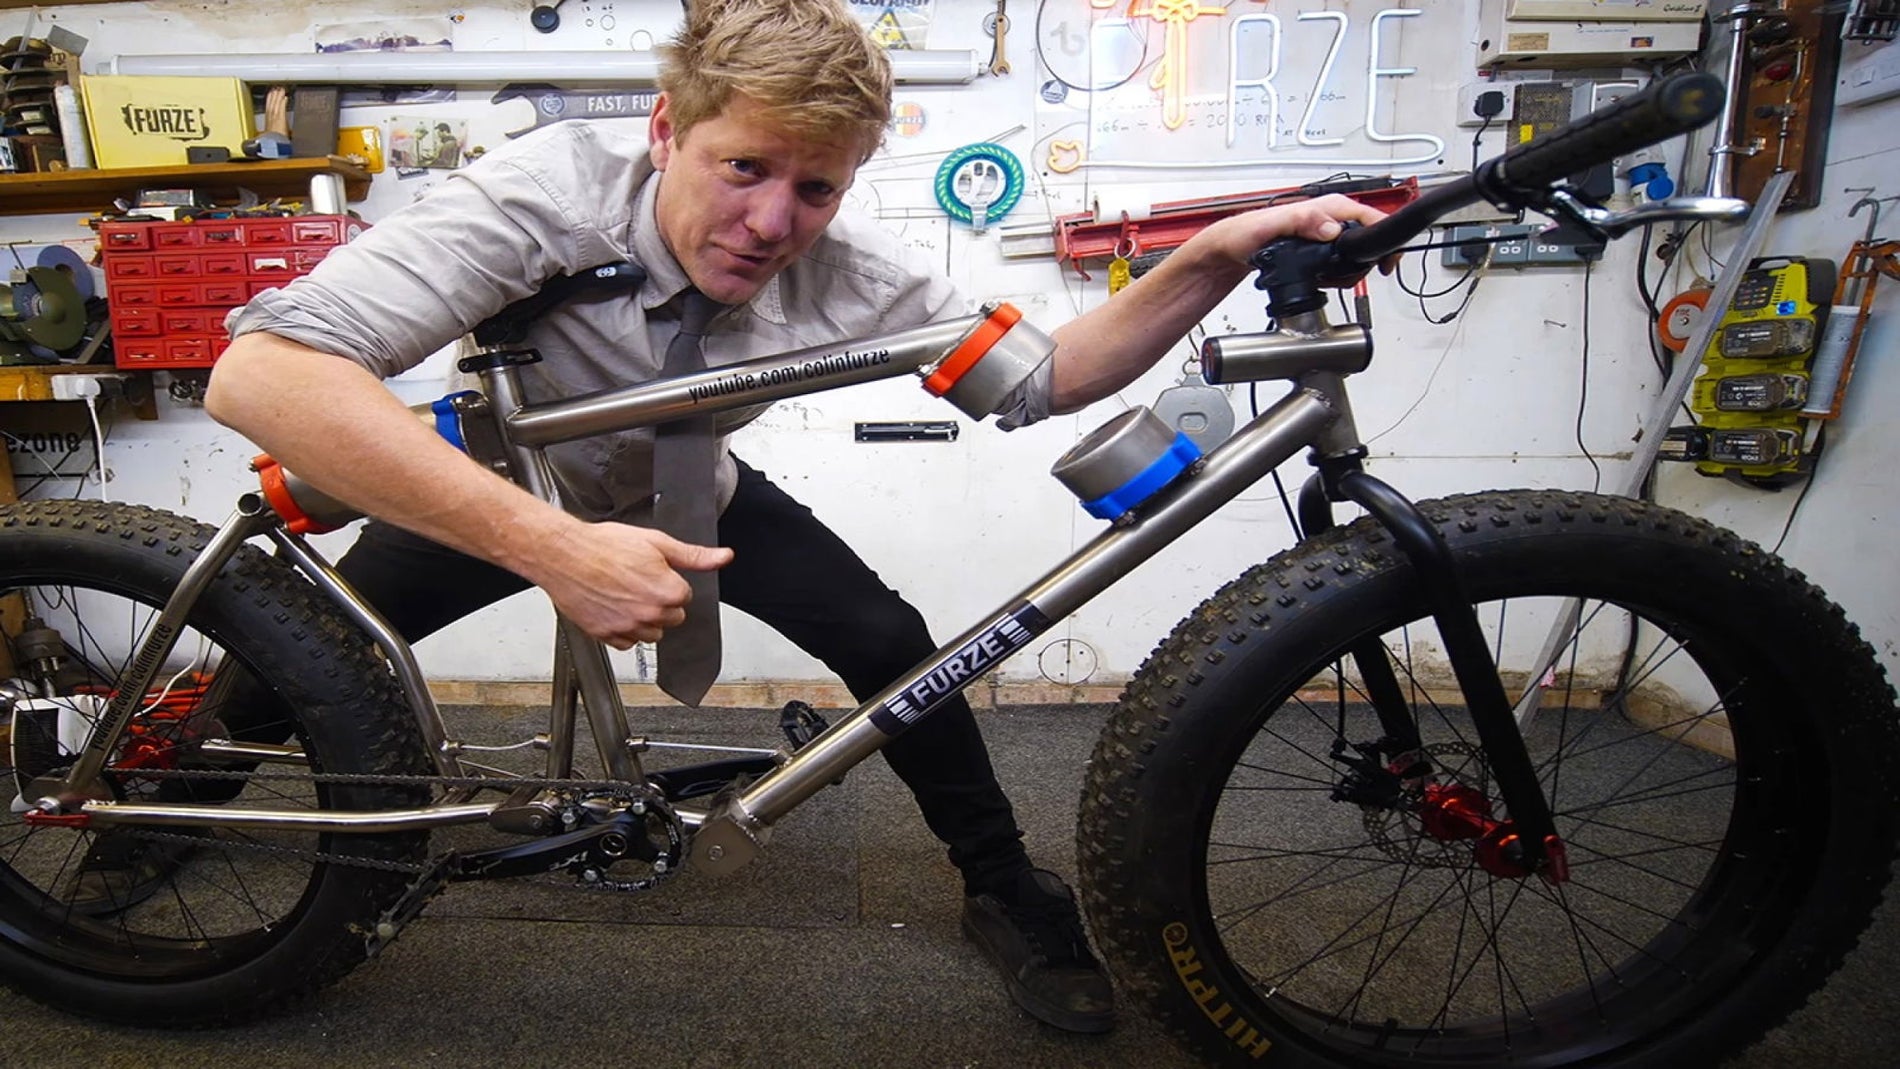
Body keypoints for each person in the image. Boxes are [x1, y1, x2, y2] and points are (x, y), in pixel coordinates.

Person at [194, 0, 1386, 1035]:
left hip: (689, 486)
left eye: (816, 188)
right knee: (293, 656)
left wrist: (1210, 256)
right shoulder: (542, 196)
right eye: (743, 168)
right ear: (668, 128)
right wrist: (549, 544)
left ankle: (1003, 884)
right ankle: (153, 815)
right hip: (507, 483)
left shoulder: (851, 274)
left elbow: (1048, 378)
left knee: (890, 640)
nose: (773, 224)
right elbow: (261, 375)